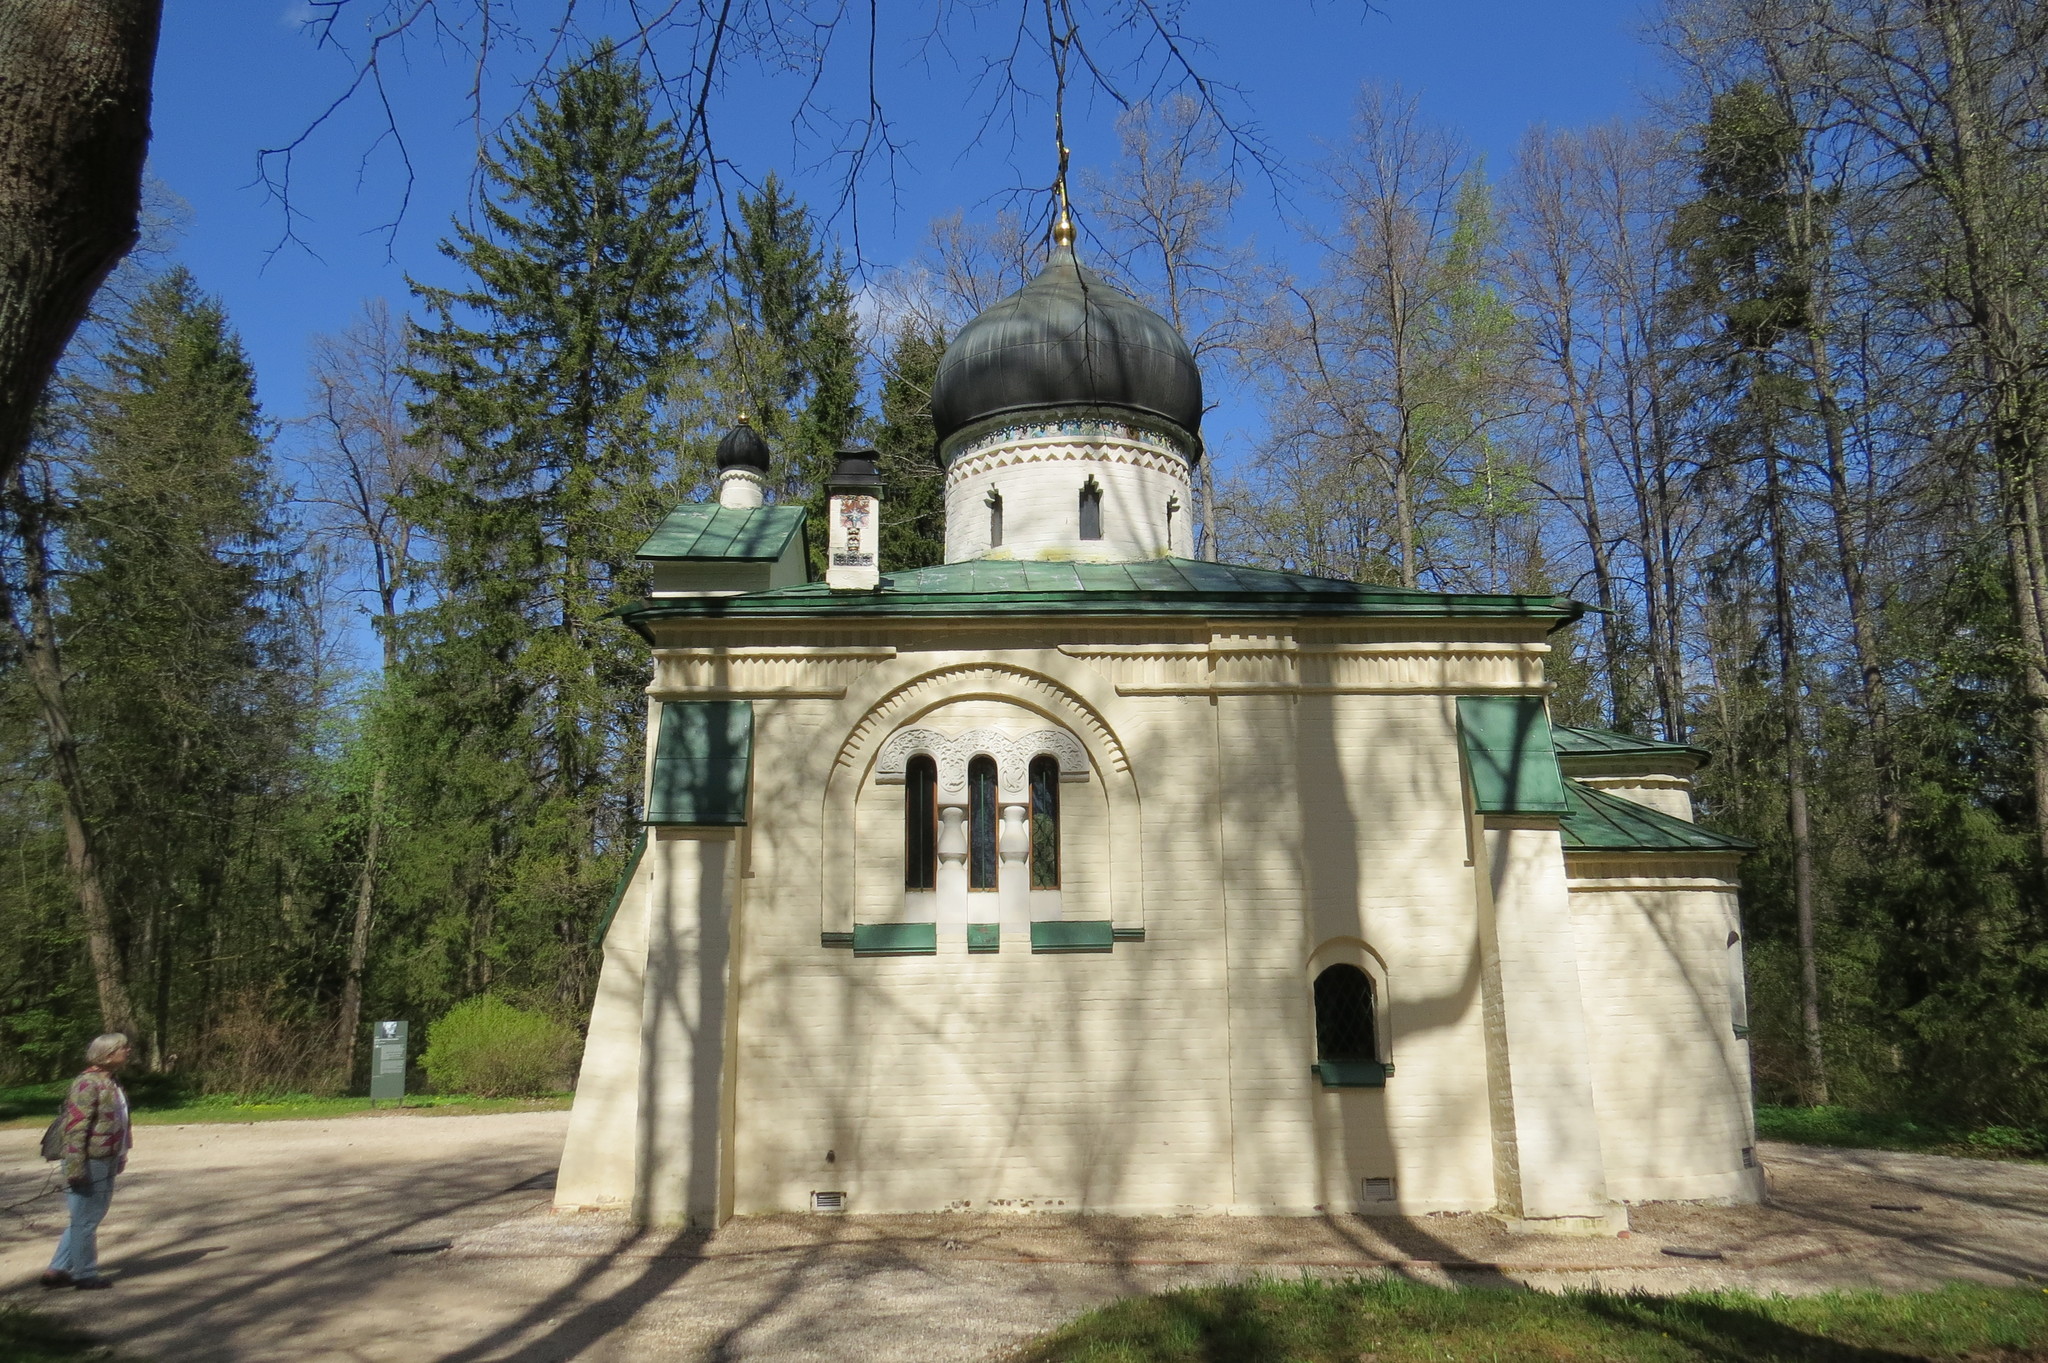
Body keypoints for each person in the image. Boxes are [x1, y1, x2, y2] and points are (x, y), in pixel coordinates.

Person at [41, 1033, 133, 1291]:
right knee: (86, 1219)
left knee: (85, 1216)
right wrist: (75, 1166)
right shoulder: (87, 1084)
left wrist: (122, 1152)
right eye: (123, 1048)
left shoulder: (112, 1082)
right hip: (89, 1160)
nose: (128, 1050)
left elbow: (120, 1122)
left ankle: (57, 1269)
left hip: (107, 1157)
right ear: (107, 1054)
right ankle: (85, 1274)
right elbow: (76, 1128)